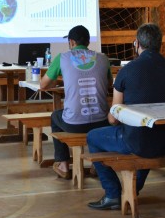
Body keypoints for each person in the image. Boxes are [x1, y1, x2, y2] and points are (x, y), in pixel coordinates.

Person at [86, 23, 165, 210]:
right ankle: (132, 190)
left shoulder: (128, 70)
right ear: (160, 44)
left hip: (137, 141)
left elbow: (114, 117)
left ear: (137, 43)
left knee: (93, 137)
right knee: (147, 137)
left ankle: (113, 193)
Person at [40, 25, 112, 179]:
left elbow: (43, 85)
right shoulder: (103, 58)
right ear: (87, 42)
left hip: (74, 124)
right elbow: (109, 85)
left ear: (71, 42)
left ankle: (63, 164)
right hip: (102, 121)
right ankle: (96, 164)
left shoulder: (62, 58)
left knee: (55, 116)